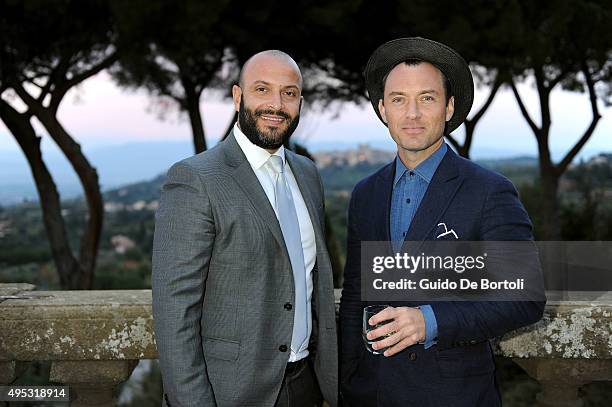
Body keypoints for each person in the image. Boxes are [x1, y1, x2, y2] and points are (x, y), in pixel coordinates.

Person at [339, 37, 545, 406]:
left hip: (454, 394)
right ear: (383, 109)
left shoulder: (490, 192)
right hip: (373, 393)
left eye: (427, 98)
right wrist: (348, 380)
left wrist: (429, 321)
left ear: (448, 107)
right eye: (399, 99)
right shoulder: (365, 194)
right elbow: (355, 295)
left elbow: (524, 299)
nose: (413, 114)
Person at [152, 50, 338, 407]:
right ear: (238, 97)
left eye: (289, 93)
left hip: (306, 387)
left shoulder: (309, 174)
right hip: (230, 394)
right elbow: (175, 313)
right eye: (262, 90)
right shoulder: (195, 179)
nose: (277, 104)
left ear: (300, 101)